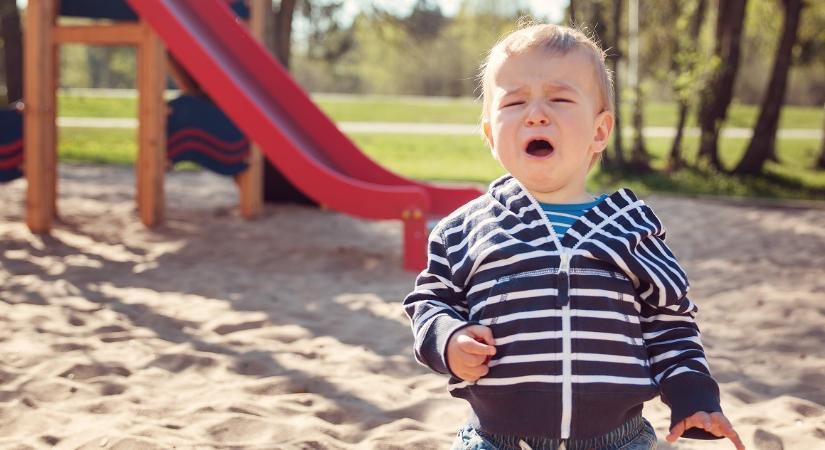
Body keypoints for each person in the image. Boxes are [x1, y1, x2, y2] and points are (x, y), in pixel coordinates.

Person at [402, 22, 745, 450]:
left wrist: (694, 396)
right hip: (497, 438)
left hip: (616, 439)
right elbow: (429, 303)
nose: (537, 113)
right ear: (491, 134)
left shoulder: (631, 228)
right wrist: (449, 338)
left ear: (599, 132)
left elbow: (669, 319)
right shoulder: (464, 230)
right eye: (515, 102)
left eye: (560, 98)